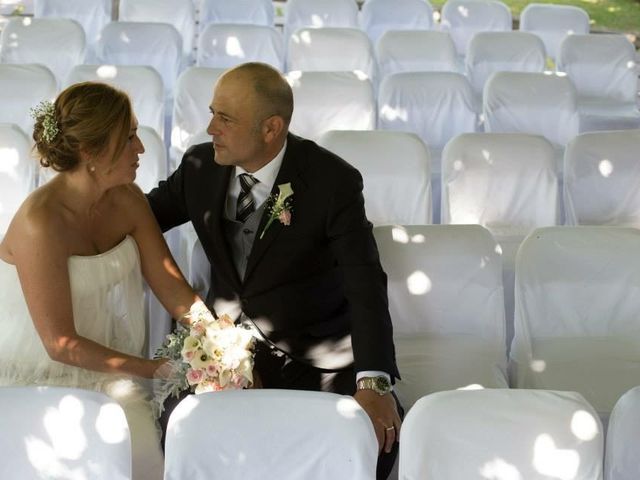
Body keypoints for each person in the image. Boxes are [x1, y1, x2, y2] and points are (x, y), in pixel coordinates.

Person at [148, 62, 402, 478]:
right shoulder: (200, 167)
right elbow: (140, 217)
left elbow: (365, 281)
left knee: (369, 441)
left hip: (316, 356)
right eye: (212, 113)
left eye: (224, 119)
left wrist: (373, 381)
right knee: (185, 435)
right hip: (224, 350)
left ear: (271, 128)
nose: (210, 128)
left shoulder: (331, 181)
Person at [0, 82, 208, 480]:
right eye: (129, 138)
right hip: (35, 367)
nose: (141, 149)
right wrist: (153, 369)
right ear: (91, 152)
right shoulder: (40, 222)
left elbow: (171, 287)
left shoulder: (128, 199)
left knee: (142, 454)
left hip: (99, 359)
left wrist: (216, 338)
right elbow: (59, 345)